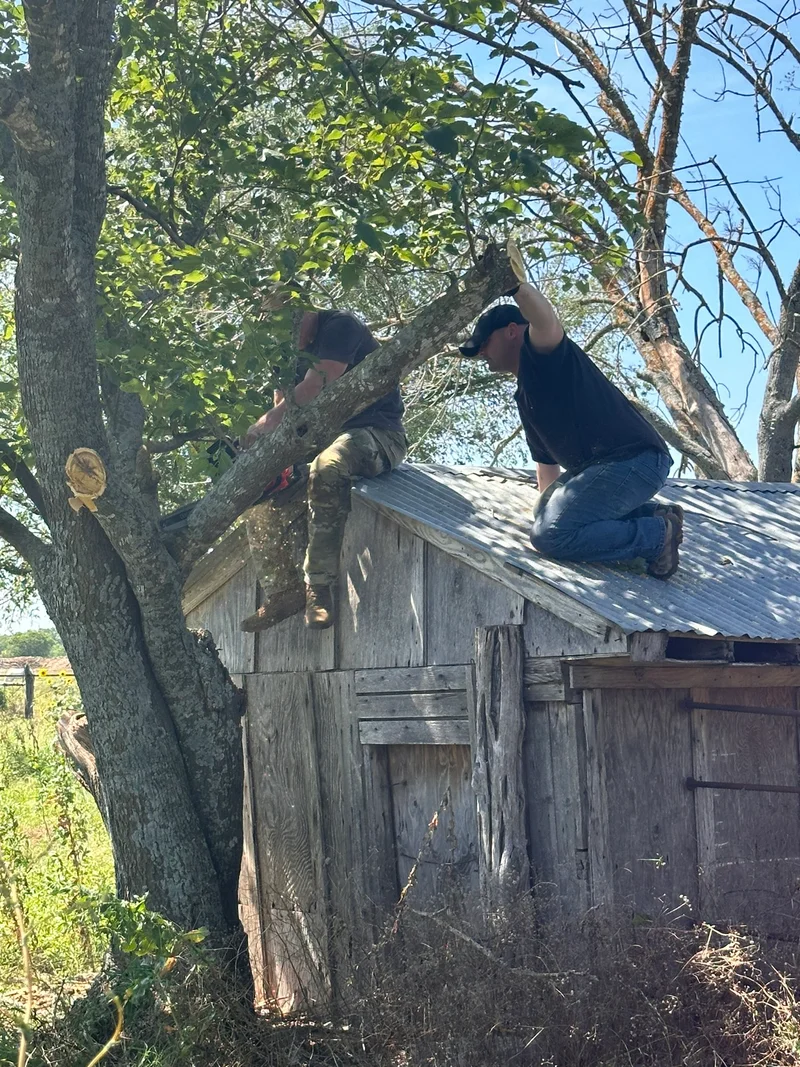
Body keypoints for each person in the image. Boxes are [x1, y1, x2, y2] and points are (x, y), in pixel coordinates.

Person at [457, 251, 683, 578]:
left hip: (636, 460)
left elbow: (545, 319)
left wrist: (515, 286)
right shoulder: (526, 395)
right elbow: (546, 470)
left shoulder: (544, 355)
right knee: (544, 518)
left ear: (511, 330)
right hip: (606, 468)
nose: (481, 353)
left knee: (550, 535)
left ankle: (656, 536)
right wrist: (543, 510)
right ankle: (655, 515)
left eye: (484, 343)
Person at [240, 308, 407, 630]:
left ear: (306, 310)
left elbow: (316, 384)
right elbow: (284, 409)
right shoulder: (284, 351)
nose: (283, 334)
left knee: (327, 466)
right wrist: (270, 456)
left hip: (377, 434)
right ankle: (282, 591)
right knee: (260, 486)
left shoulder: (339, 327)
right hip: (321, 438)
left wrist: (262, 425)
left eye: (287, 322)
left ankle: (318, 587)